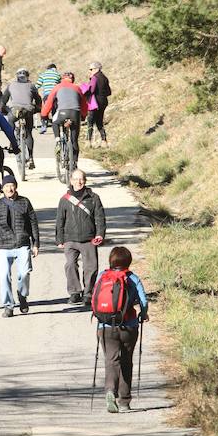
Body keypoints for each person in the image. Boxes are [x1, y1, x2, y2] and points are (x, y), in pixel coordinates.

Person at [93, 245, 149, 413]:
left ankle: (110, 390)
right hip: (129, 327)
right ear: (128, 261)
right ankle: (124, 401)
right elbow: (143, 301)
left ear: (111, 260)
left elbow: (95, 296)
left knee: (111, 360)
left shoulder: (103, 276)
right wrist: (143, 314)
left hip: (105, 327)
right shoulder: (132, 278)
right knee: (126, 361)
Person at [0, 174, 39, 317]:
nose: (9, 188)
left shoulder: (24, 202)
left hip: (22, 244)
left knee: (24, 274)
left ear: (16, 186)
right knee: (4, 276)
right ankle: (8, 305)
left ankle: (22, 296)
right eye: (6, 186)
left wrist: (36, 244)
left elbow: (33, 223)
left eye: (11, 185)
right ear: (2, 189)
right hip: (4, 246)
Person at [55, 169, 105, 305]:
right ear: (71, 181)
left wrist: (100, 234)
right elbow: (60, 220)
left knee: (91, 268)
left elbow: (100, 218)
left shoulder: (93, 198)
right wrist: (59, 239)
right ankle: (74, 292)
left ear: (85, 180)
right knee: (70, 265)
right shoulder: (64, 200)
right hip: (70, 239)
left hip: (89, 238)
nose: (79, 182)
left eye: (81, 179)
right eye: (76, 179)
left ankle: (88, 293)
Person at [40, 71, 88, 165]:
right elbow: (84, 105)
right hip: (75, 113)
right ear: (72, 80)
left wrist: (44, 115)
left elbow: (49, 102)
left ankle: (58, 140)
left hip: (61, 113)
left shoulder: (57, 87)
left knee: (55, 121)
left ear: (62, 79)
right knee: (74, 140)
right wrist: (83, 116)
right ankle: (74, 162)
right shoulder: (77, 88)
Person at [1, 67, 42, 169]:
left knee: (10, 120)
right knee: (28, 133)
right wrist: (37, 109)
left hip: (15, 111)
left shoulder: (11, 85)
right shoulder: (32, 86)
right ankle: (31, 157)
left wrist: (3, 110)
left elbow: (3, 100)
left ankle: (12, 142)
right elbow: (38, 100)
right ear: (27, 76)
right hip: (28, 110)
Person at [81, 61, 112, 147]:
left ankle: (88, 142)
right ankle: (104, 141)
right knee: (99, 122)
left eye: (91, 69)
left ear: (96, 69)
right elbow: (109, 92)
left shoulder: (94, 78)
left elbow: (91, 90)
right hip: (103, 102)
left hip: (94, 103)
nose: (90, 71)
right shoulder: (105, 78)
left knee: (90, 122)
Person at [36, 62, 61, 133]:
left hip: (47, 95)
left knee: (45, 109)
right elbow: (60, 85)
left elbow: (37, 86)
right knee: (54, 110)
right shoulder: (57, 75)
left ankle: (44, 124)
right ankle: (55, 124)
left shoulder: (43, 75)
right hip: (56, 95)